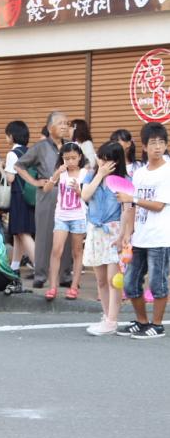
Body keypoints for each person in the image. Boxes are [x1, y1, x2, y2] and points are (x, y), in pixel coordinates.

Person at [115, 123, 170, 339]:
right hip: (140, 237)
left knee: (158, 283)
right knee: (130, 282)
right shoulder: (138, 174)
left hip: (161, 237)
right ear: (144, 147)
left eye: (162, 142)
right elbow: (130, 208)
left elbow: (158, 205)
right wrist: (126, 233)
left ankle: (157, 325)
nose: (158, 147)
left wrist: (133, 199)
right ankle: (142, 321)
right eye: (153, 142)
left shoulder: (167, 171)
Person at [15, 111, 72, 288]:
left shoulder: (69, 146)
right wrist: (34, 181)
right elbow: (19, 166)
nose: (64, 126)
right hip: (47, 193)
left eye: (66, 123)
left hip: (67, 193)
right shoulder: (40, 147)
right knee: (44, 235)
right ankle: (40, 275)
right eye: (60, 123)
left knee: (67, 235)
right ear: (50, 128)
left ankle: (64, 275)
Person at [81, 141, 127, 336]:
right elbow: (84, 195)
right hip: (95, 231)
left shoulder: (124, 180)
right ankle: (107, 316)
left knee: (113, 279)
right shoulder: (92, 175)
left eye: (107, 160)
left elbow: (126, 210)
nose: (103, 162)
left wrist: (123, 236)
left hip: (114, 231)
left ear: (116, 162)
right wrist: (100, 174)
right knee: (100, 280)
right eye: (101, 158)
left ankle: (112, 320)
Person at [42, 142, 87, 301]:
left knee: (77, 252)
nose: (70, 162)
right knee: (56, 251)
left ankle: (74, 287)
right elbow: (46, 190)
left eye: (74, 158)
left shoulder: (85, 173)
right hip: (61, 216)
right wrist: (55, 175)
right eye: (67, 158)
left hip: (79, 216)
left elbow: (88, 196)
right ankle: (52, 287)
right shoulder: (61, 173)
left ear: (80, 157)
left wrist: (78, 190)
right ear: (62, 158)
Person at [4, 120, 35, 274]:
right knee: (18, 232)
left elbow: (10, 178)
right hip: (30, 195)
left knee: (23, 232)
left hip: (18, 195)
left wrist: (1, 167)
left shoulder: (12, 154)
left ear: (12, 136)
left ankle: (39, 267)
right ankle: (15, 266)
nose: (6, 138)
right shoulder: (30, 151)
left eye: (7, 135)